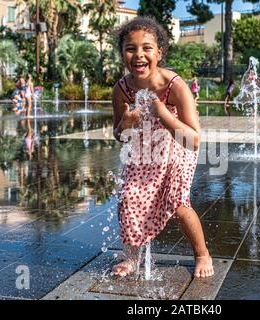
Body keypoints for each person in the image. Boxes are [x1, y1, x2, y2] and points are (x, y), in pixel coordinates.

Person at [112, 17, 213, 278]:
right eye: (130, 48)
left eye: (147, 48)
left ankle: (202, 253)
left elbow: (193, 140)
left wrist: (162, 113)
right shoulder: (121, 89)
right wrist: (126, 123)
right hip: (144, 146)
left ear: (160, 52)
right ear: (122, 53)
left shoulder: (175, 86)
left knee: (177, 203)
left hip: (178, 146)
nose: (138, 55)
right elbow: (118, 135)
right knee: (128, 198)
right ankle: (131, 257)